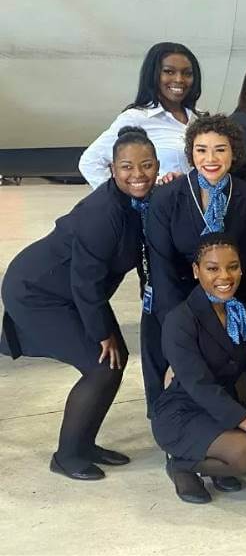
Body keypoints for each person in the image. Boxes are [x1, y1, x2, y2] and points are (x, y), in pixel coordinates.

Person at [1, 127, 158, 480]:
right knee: (101, 365)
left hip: (74, 292)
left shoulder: (137, 203)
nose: (138, 175)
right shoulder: (102, 213)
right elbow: (84, 281)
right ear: (113, 169)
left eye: (146, 165)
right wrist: (101, 332)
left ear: (157, 164)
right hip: (37, 291)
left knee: (113, 365)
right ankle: (67, 455)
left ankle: (84, 444)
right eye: (127, 167)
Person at [153, 235, 246, 504]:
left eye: (233, 266)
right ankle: (181, 464)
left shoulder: (245, 316)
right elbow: (199, 386)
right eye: (212, 268)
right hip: (183, 411)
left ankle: (212, 459)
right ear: (196, 271)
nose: (225, 276)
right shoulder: (179, 321)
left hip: (226, 407)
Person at [144, 114, 246, 412]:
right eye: (201, 150)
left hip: (228, 301)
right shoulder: (166, 197)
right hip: (177, 302)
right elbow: (161, 267)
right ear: (190, 153)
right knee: (182, 391)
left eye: (220, 149)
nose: (210, 158)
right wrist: (176, 343)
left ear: (234, 152)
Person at [79, 42, 200, 188]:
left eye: (187, 73)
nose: (179, 79)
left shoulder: (198, 120)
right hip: (157, 207)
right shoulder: (136, 118)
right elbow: (91, 162)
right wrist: (122, 201)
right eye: (169, 71)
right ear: (153, 75)